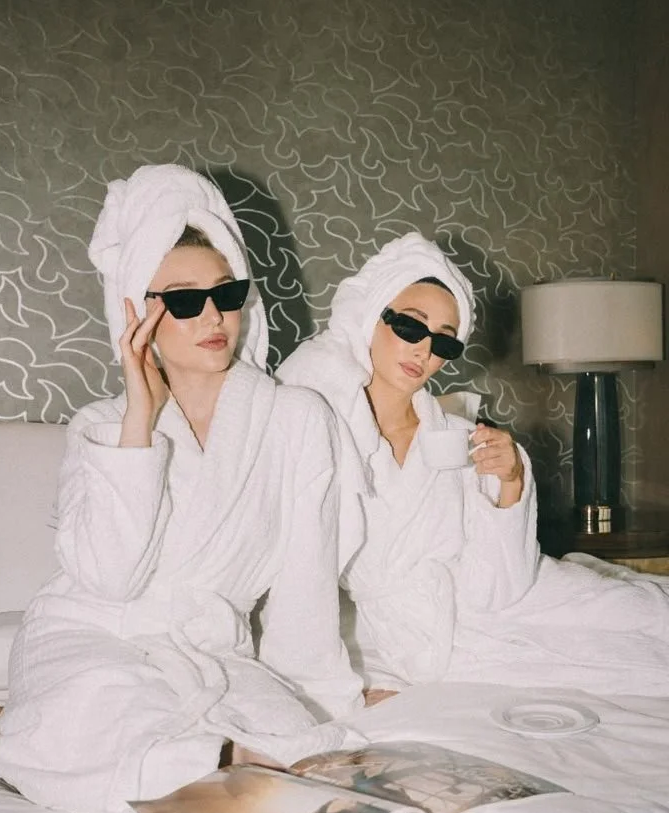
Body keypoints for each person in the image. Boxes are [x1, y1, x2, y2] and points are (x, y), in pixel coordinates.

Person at [0, 164, 362, 813]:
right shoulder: (102, 426)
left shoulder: (296, 418)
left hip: (212, 645)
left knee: (299, 750)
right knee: (125, 718)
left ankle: (20, 736)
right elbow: (108, 581)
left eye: (226, 292)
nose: (212, 316)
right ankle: (10, 731)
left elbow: (306, 582)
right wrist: (138, 422)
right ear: (137, 311)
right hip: (97, 631)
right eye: (183, 299)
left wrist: (327, 699)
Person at [277, 232, 669, 701]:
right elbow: (298, 575)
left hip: (505, 595)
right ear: (370, 317)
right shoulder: (317, 429)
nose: (425, 351)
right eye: (410, 326)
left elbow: (505, 580)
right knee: (633, 669)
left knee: (646, 615)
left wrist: (510, 484)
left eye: (445, 342)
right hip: (417, 631)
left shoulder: (454, 436)